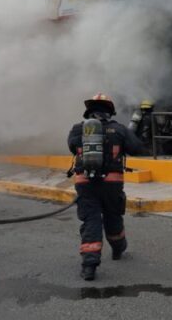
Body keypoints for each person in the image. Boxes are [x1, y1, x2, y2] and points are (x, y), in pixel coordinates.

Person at [67, 93, 144, 281]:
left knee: (91, 221)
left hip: (85, 184)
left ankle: (89, 266)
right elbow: (137, 148)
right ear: (109, 112)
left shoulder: (77, 129)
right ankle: (118, 249)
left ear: (89, 112)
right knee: (113, 216)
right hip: (112, 184)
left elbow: (71, 147)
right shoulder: (119, 130)